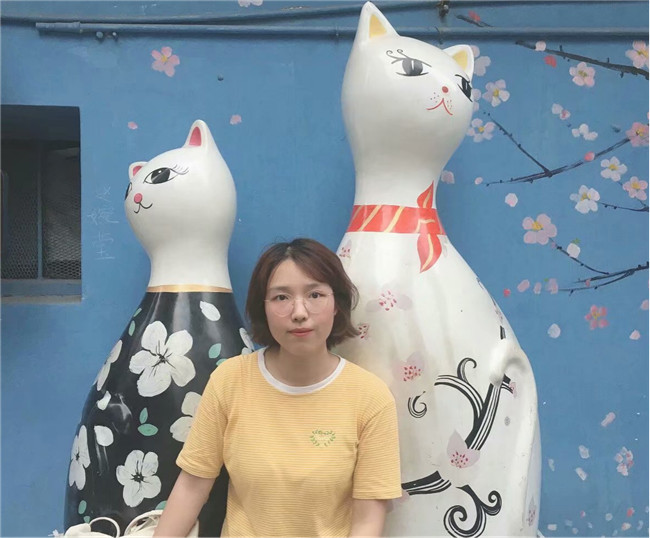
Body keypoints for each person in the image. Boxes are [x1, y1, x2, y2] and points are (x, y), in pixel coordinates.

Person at [154, 238, 402, 537]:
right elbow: (192, 486)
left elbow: (367, 522)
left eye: (315, 295)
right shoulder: (230, 380)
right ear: (263, 307)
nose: (299, 312)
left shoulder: (371, 398)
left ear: (337, 304)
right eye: (281, 297)